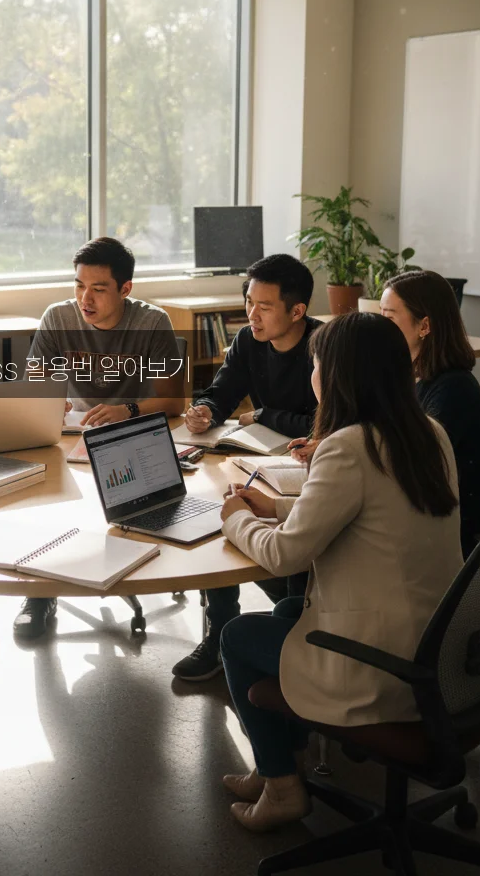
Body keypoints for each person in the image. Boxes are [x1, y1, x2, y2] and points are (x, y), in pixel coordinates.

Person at [217, 312, 461, 832]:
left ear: (339, 375)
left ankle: (282, 785)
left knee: (239, 636)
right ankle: (279, 765)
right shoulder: (428, 432)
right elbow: (366, 514)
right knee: (286, 609)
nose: (312, 375)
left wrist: (236, 518)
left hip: (381, 662)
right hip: (436, 645)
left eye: (316, 364)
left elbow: (284, 556)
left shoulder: (347, 447)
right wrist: (273, 507)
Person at [13, 237, 184, 639]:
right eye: (78, 286)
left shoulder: (151, 322)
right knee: (39, 492)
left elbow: (174, 400)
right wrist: (43, 403)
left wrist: (129, 411)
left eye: (98, 289)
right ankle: (40, 595)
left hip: (134, 436)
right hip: (74, 433)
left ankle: (142, 567)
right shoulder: (58, 318)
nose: (84, 299)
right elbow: (36, 384)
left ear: (126, 289)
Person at [174, 254, 321, 681]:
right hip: (259, 460)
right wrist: (203, 410)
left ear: (298, 311)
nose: (252, 316)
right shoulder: (248, 342)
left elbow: (322, 423)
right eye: (249, 303)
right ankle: (220, 630)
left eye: (265, 306)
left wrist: (263, 415)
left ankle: (293, 626)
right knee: (219, 506)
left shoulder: (325, 348)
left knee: (265, 531)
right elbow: (222, 392)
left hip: (306, 469)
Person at [381, 270, 480, 555]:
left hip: (463, 538)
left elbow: (416, 464)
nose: (379, 327)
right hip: (434, 518)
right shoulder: (414, 375)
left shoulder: (453, 388)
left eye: (389, 318)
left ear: (424, 326)